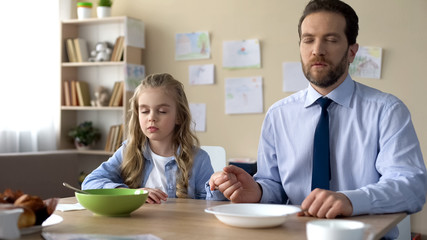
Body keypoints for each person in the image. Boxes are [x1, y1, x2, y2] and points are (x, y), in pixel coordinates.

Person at [207, 0, 427, 238]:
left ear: (352, 51)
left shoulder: (387, 111)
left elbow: (412, 188)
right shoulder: (278, 115)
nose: (317, 50)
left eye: (331, 40)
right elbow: (274, 187)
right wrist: (257, 191)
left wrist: (351, 200)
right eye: (308, 39)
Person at [82, 73, 215, 204]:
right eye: (144, 111)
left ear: (179, 116)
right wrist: (130, 193)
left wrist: (220, 188)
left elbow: (211, 205)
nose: (151, 118)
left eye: (162, 111)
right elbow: (90, 183)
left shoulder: (199, 159)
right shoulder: (128, 151)